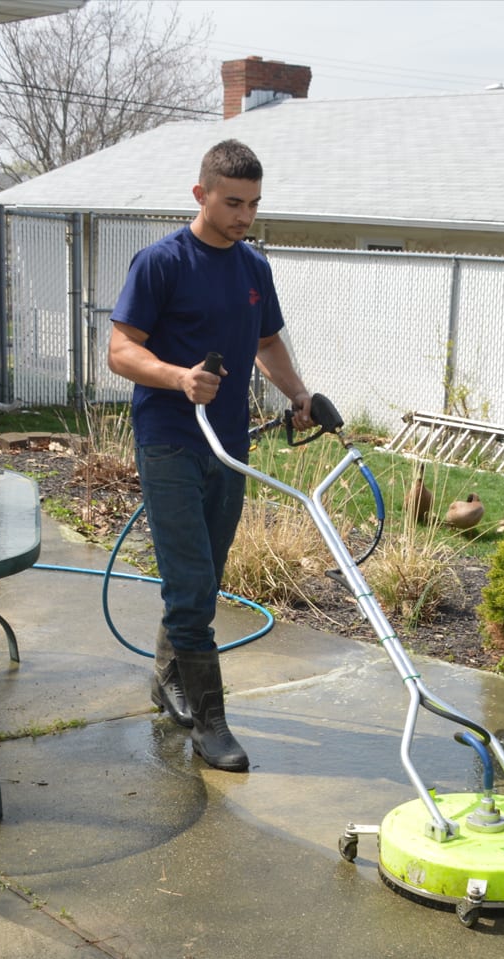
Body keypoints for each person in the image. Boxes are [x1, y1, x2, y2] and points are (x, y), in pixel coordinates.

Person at [107, 140, 315, 772]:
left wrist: (299, 394)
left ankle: (167, 676)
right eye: (232, 203)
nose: (244, 216)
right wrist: (178, 377)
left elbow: (267, 342)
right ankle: (211, 725)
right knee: (192, 582)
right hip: (169, 438)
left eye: (253, 204)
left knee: (204, 578)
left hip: (228, 445)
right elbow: (120, 350)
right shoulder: (161, 262)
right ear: (201, 195)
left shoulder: (254, 267)